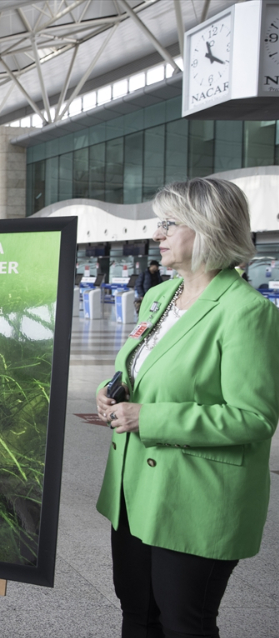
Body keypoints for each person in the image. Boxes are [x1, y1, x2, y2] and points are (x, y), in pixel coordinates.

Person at [95, 177, 279, 638]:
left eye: (169, 223)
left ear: (209, 229)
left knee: (184, 622)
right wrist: (110, 391)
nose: (157, 234)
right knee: (137, 612)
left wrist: (148, 418)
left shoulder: (246, 312)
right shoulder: (160, 297)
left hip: (196, 496)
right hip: (135, 490)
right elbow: (141, 369)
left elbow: (254, 418)